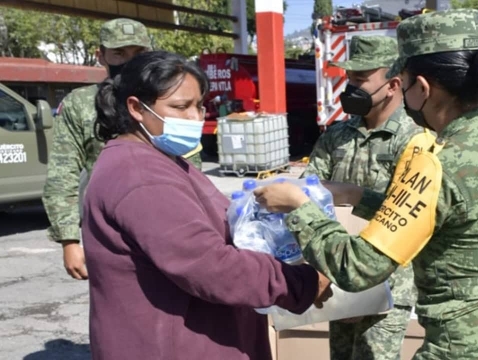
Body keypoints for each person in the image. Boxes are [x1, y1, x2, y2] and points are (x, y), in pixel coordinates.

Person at [254, 9, 478, 359]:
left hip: (468, 346)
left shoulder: (437, 161)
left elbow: (358, 268)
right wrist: (357, 195)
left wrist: (299, 207)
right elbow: (440, 213)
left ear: (423, 87)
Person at [81, 50, 332, 360]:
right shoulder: (140, 176)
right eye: (180, 107)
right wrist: (299, 283)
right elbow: (208, 265)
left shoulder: (160, 160)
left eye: (199, 106)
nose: (194, 117)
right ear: (136, 108)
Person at [42, 18, 203, 281]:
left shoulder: (171, 98)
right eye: (119, 53)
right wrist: (69, 240)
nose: (128, 61)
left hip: (174, 222)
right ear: (100, 55)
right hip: (113, 231)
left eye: (138, 53)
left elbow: (191, 165)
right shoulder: (81, 105)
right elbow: (63, 174)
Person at [301, 35, 422, 360]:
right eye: (349, 78)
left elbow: (412, 219)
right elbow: (308, 195)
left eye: (360, 79)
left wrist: (362, 288)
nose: (350, 87)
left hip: (389, 286)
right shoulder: (337, 135)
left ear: (393, 84)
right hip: (337, 273)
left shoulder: (415, 140)